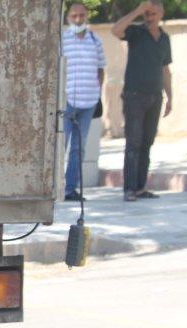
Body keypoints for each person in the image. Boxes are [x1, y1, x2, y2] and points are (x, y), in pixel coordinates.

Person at [111, 1, 173, 203]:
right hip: (134, 96)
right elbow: (115, 30)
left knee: (147, 143)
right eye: (147, 13)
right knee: (133, 143)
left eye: (153, 13)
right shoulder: (136, 33)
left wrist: (170, 97)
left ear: (161, 13)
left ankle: (140, 187)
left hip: (155, 96)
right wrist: (138, 10)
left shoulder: (164, 38)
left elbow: (165, 70)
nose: (149, 17)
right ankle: (129, 189)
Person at [62, 3, 106, 202]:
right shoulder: (63, 40)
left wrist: (97, 93)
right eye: (74, 16)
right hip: (67, 101)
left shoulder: (95, 40)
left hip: (88, 102)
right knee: (60, 145)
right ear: (68, 18)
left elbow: (100, 69)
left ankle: (70, 189)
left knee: (79, 148)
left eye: (81, 15)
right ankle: (54, 187)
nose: (78, 19)